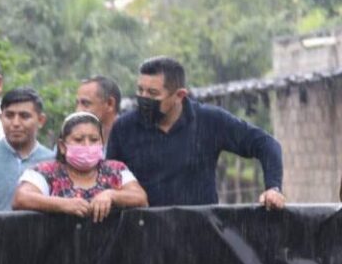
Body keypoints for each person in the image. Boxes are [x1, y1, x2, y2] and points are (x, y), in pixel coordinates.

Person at [107, 56, 286, 209]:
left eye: (153, 93)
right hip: (145, 239)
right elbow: (108, 181)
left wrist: (273, 188)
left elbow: (266, 144)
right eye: (140, 90)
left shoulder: (209, 121)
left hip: (200, 237)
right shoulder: (123, 129)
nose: (144, 98)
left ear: (179, 95)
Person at [13, 112, 148, 222]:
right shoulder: (45, 171)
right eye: (78, 139)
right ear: (62, 146)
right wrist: (63, 205)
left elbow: (140, 198)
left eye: (94, 139)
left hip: (110, 252)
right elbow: (21, 198)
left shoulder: (115, 169)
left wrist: (111, 195)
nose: (87, 145)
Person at [0, 87, 55, 211]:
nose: (16, 123)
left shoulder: (53, 162)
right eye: (10, 116)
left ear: (40, 120)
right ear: (1, 118)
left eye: (24, 116)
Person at [75, 75, 121, 144]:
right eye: (77, 103)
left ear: (110, 104)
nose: (78, 110)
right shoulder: (74, 138)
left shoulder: (130, 140)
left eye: (86, 103)